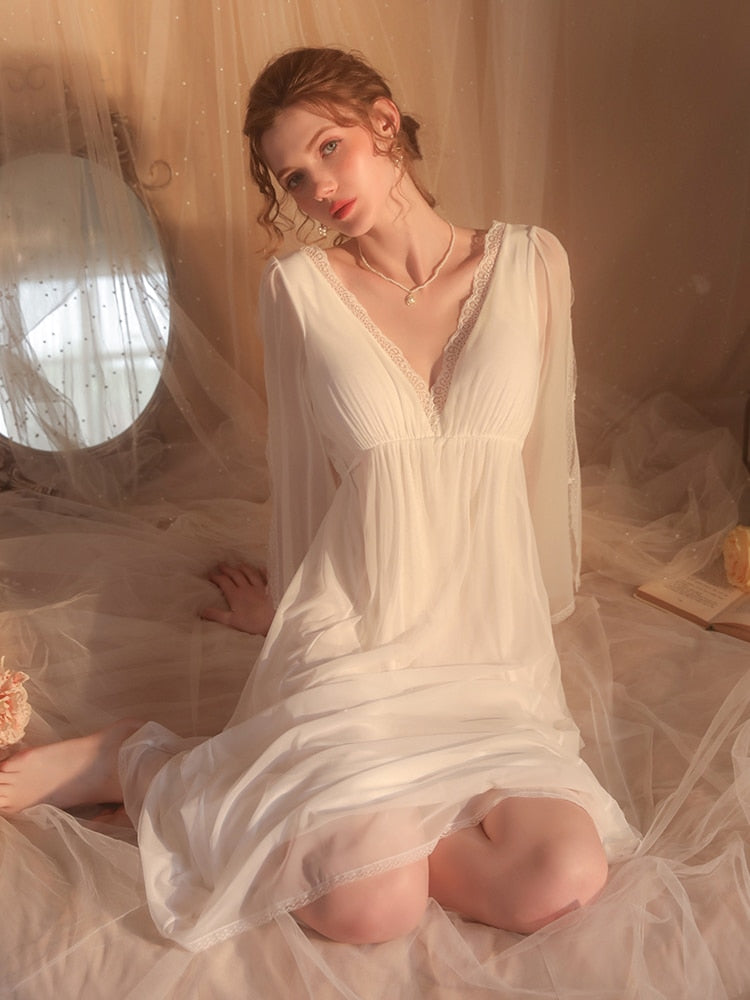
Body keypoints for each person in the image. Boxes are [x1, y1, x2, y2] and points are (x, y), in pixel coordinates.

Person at [0, 46, 637, 949]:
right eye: (293, 176)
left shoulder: (533, 264)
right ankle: (137, 760)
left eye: (329, 148)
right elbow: (304, 475)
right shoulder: (300, 290)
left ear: (385, 122)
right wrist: (292, 614)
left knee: (560, 880)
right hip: (358, 637)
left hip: (491, 652)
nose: (317, 187)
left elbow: (541, 466)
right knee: (367, 908)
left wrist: (529, 613)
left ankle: (353, 816)